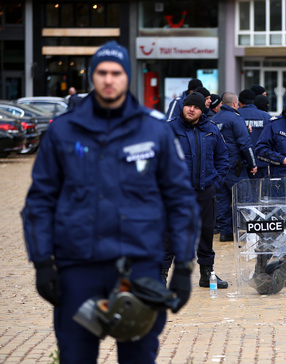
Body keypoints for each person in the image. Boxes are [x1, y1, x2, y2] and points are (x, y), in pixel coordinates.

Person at [21, 41, 199, 363]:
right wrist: (42, 263)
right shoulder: (63, 132)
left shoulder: (154, 130)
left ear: (126, 77)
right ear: (93, 77)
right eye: (101, 72)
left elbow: (181, 200)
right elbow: (40, 201)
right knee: (75, 357)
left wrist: (185, 265)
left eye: (116, 73)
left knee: (138, 357)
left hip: (139, 269)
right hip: (78, 269)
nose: (108, 79)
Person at [168, 92, 230, 289]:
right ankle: (160, 276)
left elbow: (222, 158)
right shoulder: (169, 129)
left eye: (195, 107)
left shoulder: (211, 129)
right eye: (188, 105)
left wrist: (215, 183)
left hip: (205, 191)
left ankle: (207, 275)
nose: (191, 109)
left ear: (202, 110)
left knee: (206, 233)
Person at [211, 92, 257, 242]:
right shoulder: (236, 119)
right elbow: (245, 144)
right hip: (235, 166)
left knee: (222, 200)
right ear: (235, 104)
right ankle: (248, 233)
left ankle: (225, 233)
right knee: (245, 200)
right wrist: (253, 164)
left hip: (217, 167)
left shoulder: (213, 119)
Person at [238, 89, 271, 178]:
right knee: (260, 190)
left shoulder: (236, 116)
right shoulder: (266, 117)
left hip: (241, 163)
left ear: (239, 101)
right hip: (261, 161)